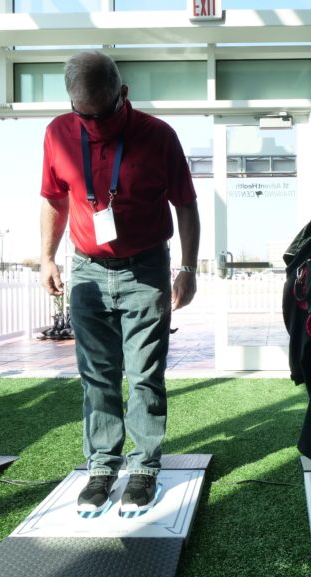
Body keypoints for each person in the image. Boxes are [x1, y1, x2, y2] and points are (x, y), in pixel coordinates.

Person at [39, 51, 200, 514]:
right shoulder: (57, 134)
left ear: (122, 95)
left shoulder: (157, 136)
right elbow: (54, 198)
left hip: (146, 269)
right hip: (87, 268)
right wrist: (47, 258)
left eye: (102, 114)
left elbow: (185, 205)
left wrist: (187, 268)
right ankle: (102, 467)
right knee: (97, 375)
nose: (93, 125)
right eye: (82, 115)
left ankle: (144, 468)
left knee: (145, 374)